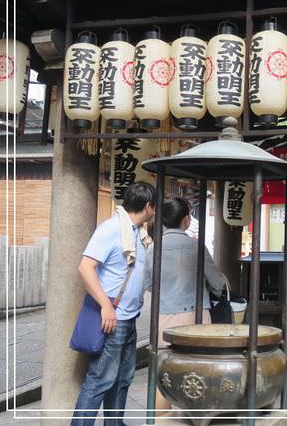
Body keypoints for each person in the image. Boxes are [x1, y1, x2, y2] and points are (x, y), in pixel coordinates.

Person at [71, 182, 156, 426]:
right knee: (100, 379)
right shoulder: (111, 229)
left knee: (122, 378)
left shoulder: (137, 232)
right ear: (148, 206)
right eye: (154, 207)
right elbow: (85, 267)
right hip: (112, 316)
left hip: (129, 317)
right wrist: (106, 307)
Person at [143, 197, 228, 414]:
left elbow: (147, 283)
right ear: (186, 219)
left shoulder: (153, 248)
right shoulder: (196, 246)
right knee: (199, 372)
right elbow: (217, 284)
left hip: (163, 318)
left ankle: (160, 421)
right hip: (196, 317)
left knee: (164, 374)